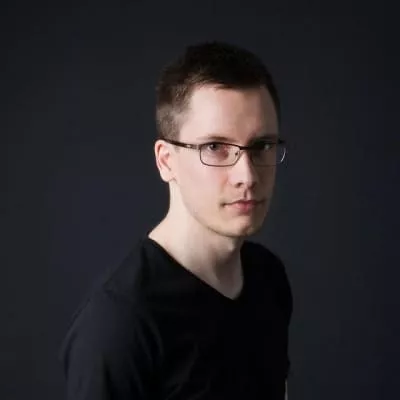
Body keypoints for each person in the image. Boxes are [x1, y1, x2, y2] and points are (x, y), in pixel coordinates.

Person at [59, 41, 293, 400]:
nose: (247, 176)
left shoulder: (268, 278)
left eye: (261, 146)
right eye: (215, 147)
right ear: (166, 161)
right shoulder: (120, 323)